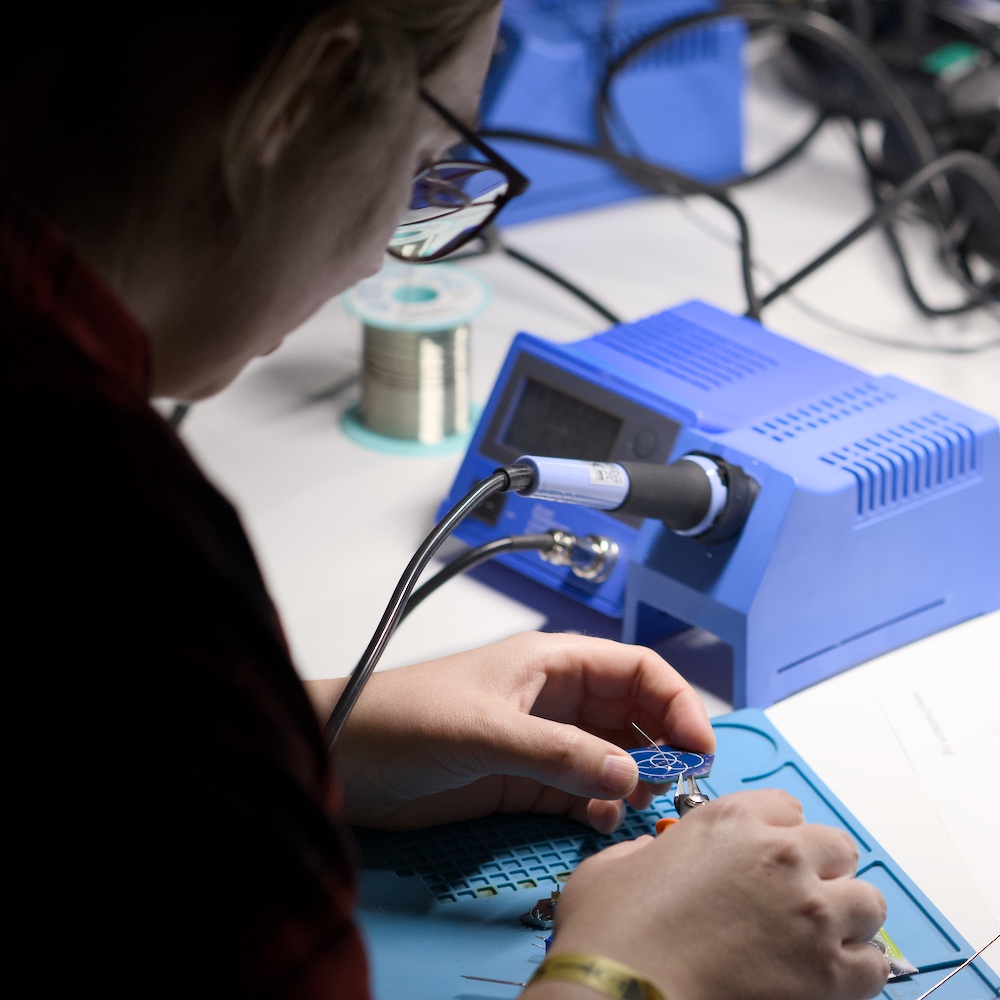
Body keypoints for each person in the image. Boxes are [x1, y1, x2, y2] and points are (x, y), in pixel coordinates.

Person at [2, 3, 889, 999]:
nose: (384, 249)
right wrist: (641, 970)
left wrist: (311, 731)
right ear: (302, 94)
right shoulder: (111, 544)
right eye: (431, 162)